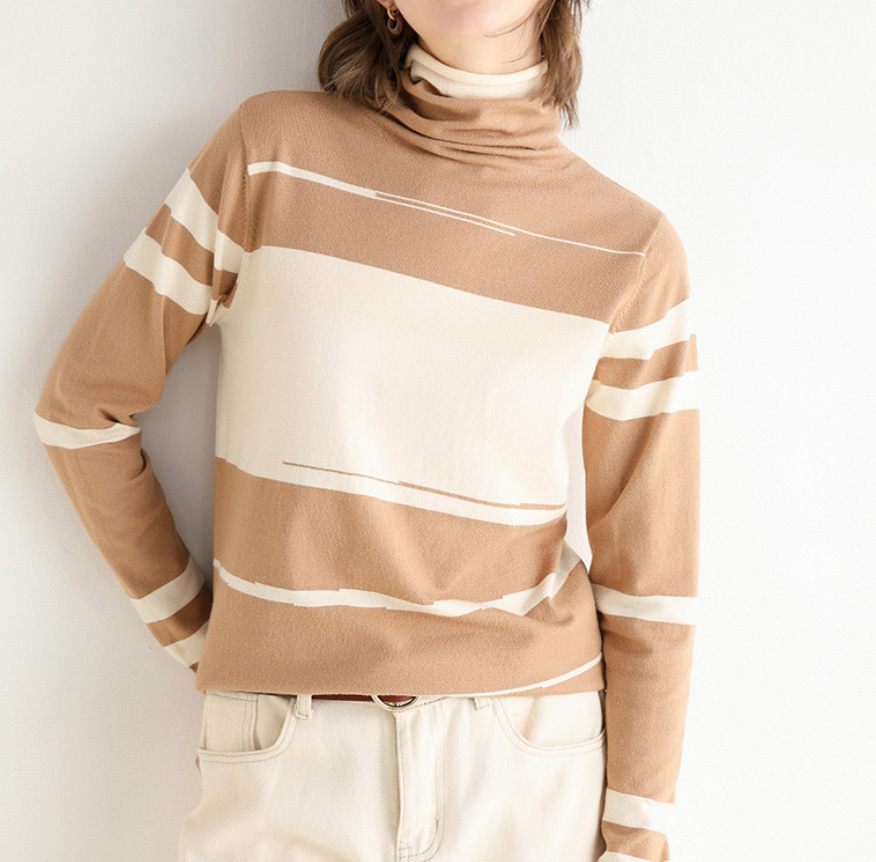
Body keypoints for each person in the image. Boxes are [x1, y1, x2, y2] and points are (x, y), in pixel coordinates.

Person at [32, 1, 700, 860]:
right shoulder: (270, 155)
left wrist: (638, 840)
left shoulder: (634, 251)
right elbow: (82, 409)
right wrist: (211, 643)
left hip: (530, 763)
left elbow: (653, 583)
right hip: (289, 758)